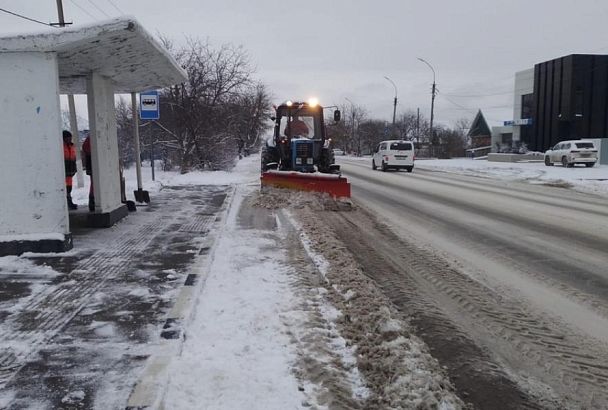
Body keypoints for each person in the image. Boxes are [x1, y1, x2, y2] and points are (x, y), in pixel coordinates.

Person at [62, 130, 78, 210]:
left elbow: (73, 158)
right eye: (68, 138)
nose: (70, 139)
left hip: (70, 171)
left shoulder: (71, 146)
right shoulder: (61, 146)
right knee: (65, 188)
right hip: (64, 171)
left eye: (70, 137)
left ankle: (69, 202)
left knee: (69, 188)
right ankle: (68, 203)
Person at [82, 134, 95, 212]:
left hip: (91, 166)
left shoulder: (89, 140)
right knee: (94, 184)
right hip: (93, 166)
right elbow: (88, 150)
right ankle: (92, 201)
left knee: (93, 184)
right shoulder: (91, 140)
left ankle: (92, 201)